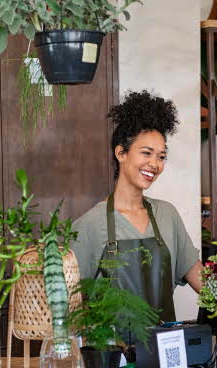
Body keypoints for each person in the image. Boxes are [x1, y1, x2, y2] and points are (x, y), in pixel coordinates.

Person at [71, 90, 203, 336]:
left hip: (165, 356)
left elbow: (203, 283)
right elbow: (70, 303)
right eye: (146, 153)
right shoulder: (91, 224)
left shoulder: (167, 215)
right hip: (113, 360)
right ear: (121, 153)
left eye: (161, 156)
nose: (154, 164)